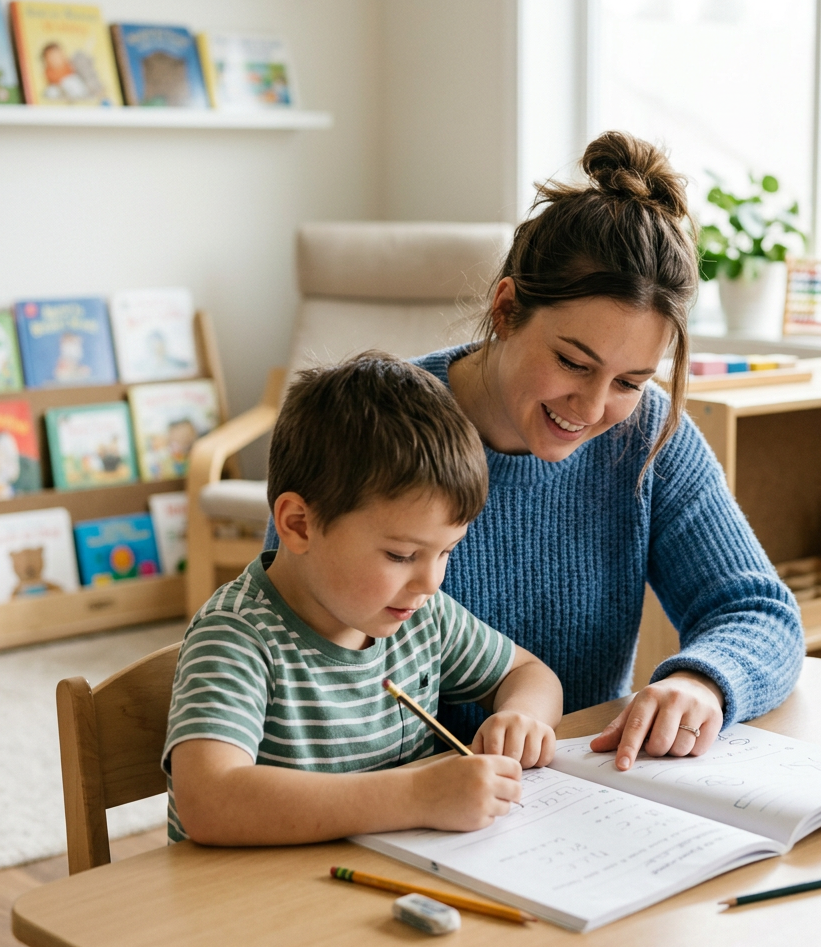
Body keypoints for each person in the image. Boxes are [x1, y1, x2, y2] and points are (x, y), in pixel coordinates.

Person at [265, 130, 804, 773]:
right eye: (573, 363)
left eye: (630, 382)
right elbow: (283, 635)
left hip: (577, 794)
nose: (592, 408)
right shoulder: (378, 425)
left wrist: (703, 681)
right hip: (387, 798)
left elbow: (758, 612)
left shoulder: (649, 438)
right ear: (506, 309)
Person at [165, 354, 562, 845]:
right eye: (401, 555)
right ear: (298, 524)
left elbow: (529, 673)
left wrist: (522, 718)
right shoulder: (236, 636)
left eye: (446, 552)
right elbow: (210, 800)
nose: (430, 582)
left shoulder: (423, 617)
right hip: (253, 892)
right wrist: (416, 795)